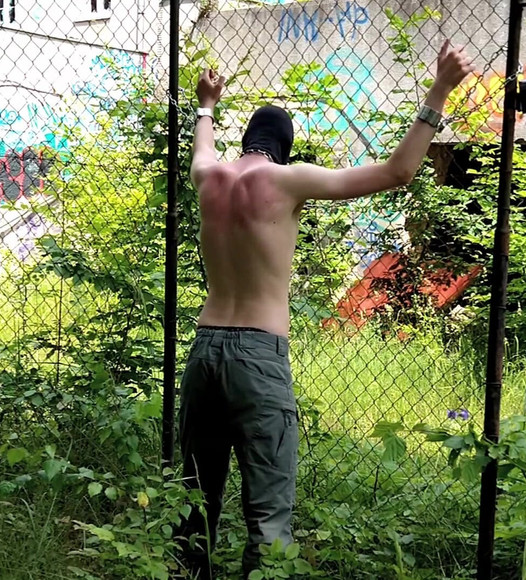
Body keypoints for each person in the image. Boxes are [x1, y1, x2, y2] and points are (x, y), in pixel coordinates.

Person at [176, 40, 475, 578]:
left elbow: (202, 148)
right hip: (258, 355)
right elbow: (397, 172)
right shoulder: (289, 179)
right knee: (268, 517)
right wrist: (439, 90)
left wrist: (206, 105)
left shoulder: (208, 178)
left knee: (195, 503)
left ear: (246, 142)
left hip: (204, 351)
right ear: (285, 149)